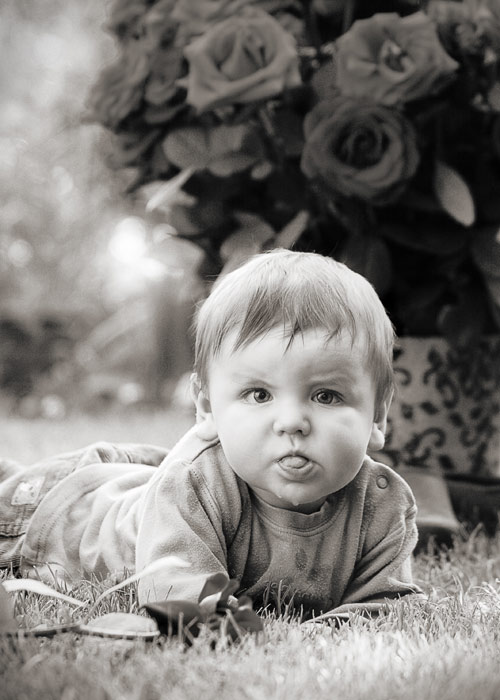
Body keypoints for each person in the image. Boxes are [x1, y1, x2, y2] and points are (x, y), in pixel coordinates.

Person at [0, 250, 423, 621]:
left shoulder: (381, 508)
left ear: (377, 416)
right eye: (259, 394)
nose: (292, 422)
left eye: (326, 396)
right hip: (56, 514)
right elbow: (178, 593)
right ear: (206, 407)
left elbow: (387, 606)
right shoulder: (196, 486)